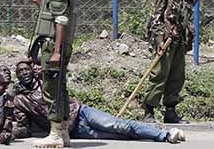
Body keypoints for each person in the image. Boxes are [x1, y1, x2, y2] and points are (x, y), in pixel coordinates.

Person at [11, 59, 186, 144]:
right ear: (17, 77)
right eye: (20, 72)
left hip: (80, 113)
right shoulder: (20, 99)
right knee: (122, 137)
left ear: (33, 70)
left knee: (120, 126)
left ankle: (165, 135)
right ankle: (159, 132)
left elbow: (58, 69)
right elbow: (24, 126)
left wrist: (42, 68)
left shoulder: (46, 80)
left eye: (27, 69)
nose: (24, 73)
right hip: (73, 130)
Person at [27, 0, 78, 148]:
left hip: (53, 44)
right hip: (58, 42)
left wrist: (56, 51)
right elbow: (53, 15)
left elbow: (61, 21)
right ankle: (62, 131)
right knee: (60, 88)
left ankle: (56, 132)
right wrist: (39, 2)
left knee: (51, 88)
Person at [143, 0, 194, 124]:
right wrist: (158, 40)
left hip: (179, 37)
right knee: (159, 74)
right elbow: (155, 16)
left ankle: (170, 112)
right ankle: (148, 111)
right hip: (165, 38)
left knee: (177, 75)